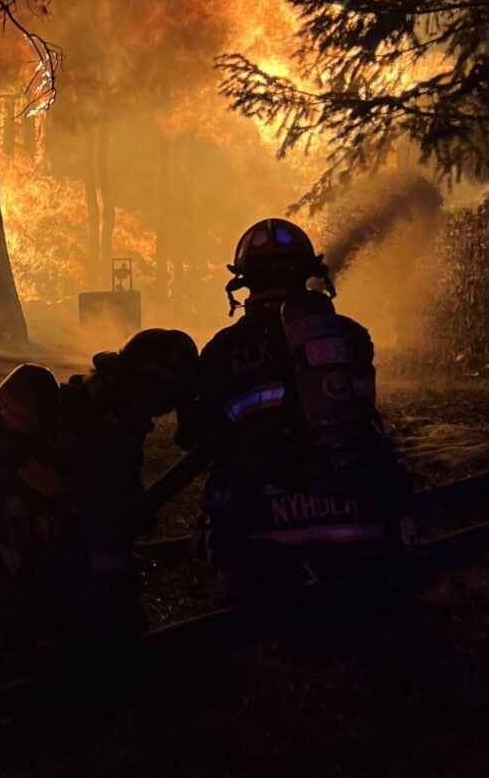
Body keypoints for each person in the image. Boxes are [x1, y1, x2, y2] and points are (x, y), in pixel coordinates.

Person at [177, 218, 418, 626]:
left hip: (265, 527)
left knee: (225, 482)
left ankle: (247, 580)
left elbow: (193, 436)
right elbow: (362, 416)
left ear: (242, 282)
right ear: (309, 271)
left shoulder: (224, 350)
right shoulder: (352, 338)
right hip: (360, 515)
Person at [0, 328, 201, 662]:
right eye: (165, 402)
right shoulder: (107, 439)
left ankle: (22, 629)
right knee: (112, 583)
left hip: (3, 540)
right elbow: (114, 522)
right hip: (31, 551)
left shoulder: (75, 401)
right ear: (149, 393)